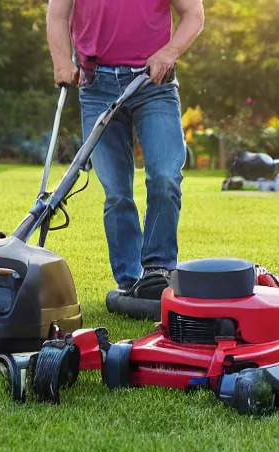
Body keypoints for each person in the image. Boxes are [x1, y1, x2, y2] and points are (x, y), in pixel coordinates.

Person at [46, 0, 204, 300]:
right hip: (96, 85)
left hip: (153, 82)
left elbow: (194, 14)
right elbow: (58, 14)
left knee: (165, 176)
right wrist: (62, 62)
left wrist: (169, 52)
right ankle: (130, 281)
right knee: (117, 192)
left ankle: (158, 270)